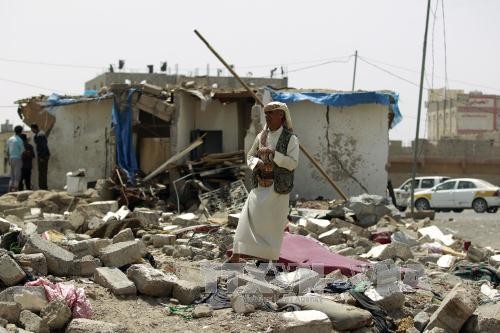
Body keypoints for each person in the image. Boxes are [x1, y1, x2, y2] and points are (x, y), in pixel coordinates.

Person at [228, 101, 299, 264]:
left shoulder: (291, 139)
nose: (267, 116)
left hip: (278, 190)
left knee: (271, 227)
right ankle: (237, 256)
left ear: (281, 115)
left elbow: (293, 163)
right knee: (247, 220)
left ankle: (267, 262)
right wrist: (258, 163)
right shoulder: (261, 136)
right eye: (265, 113)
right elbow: (250, 157)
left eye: (270, 113)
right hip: (260, 186)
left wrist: (274, 155)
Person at [30, 123, 50, 190]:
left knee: (42, 172)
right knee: (42, 172)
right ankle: (42, 187)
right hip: (43, 156)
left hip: (43, 156)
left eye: (32, 129)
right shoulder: (39, 134)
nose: (32, 130)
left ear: (34, 128)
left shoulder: (40, 135)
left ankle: (43, 187)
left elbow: (43, 147)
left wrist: (42, 157)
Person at [6, 125, 25, 192]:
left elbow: (7, 151)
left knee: (12, 175)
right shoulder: (19, 140)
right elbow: (22, 150)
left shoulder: (10, 139)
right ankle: (15, 190)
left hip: (11, 158)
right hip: (17, 159)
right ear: (20, 132)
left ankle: (10, 189)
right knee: (17, 175)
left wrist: (8, 159)